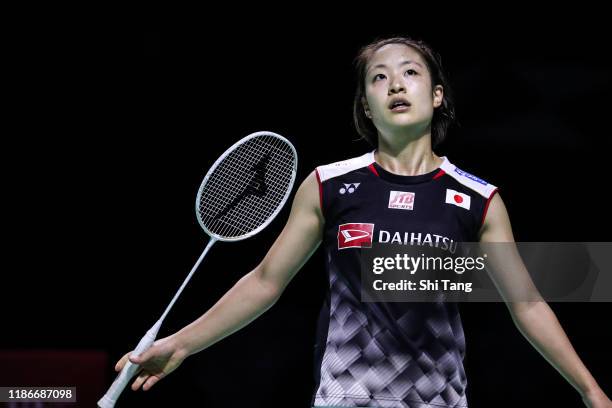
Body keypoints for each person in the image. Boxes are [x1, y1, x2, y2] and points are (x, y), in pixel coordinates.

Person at [116, 37, 611, 408]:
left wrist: (591, 392)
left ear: (437, 96)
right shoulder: (328, 185)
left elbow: (525, 303)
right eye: (379, 77)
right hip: (345, 397)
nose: (395, 83)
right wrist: (180, 342)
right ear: (366, 106)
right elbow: (266, 283)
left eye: (411, 72)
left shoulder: (478, 199)